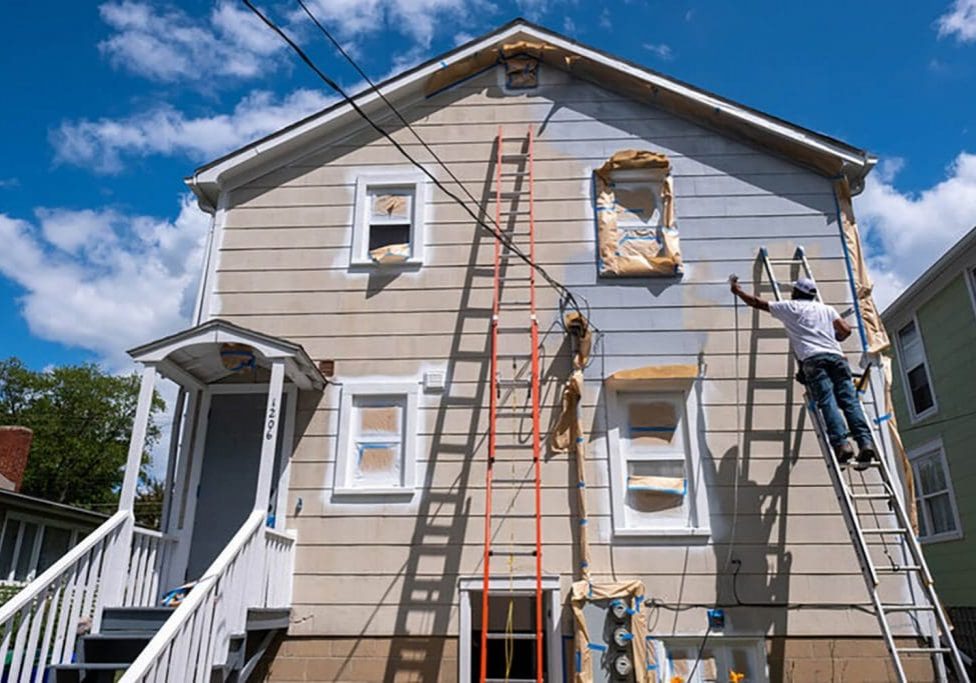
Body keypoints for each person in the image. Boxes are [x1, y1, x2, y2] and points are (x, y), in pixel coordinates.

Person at [729, 274, 877, 470]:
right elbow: (846, 330)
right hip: (838, 359)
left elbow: (757, 303)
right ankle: (865, 442)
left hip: (814, 359)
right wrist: (835, 337)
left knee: (827, 401)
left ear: (797, 291)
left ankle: (842, 444)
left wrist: (738, 291)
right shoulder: (827, 309)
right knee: (849, 401)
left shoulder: (790, 307)